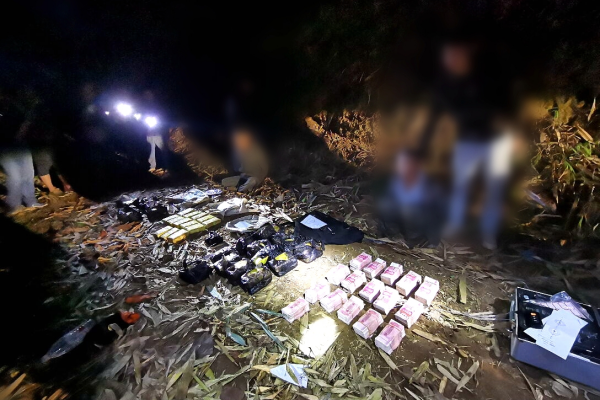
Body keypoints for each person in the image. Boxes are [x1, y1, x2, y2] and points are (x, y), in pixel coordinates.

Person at [420, 34, 517, 250]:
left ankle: (489, 234)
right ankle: (454, 227)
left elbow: (505, 107)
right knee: (460, 187)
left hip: (496, 143)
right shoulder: (447, 85)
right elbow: (435, 114)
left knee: (494, 189)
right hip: (467, 143)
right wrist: (424, 145)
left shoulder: (488, 78)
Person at [378, 151, 444, 247]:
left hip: (420, 223)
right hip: (402, 217)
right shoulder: (396, 181)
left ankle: (415, 242)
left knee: (409, 211)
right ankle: (393, 237)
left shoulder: (428, 183)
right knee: (385, 204)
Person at [0, 88, 42, 211]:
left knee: (28, 173)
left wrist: (23, 131)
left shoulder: (15, 108)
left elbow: (27, 121)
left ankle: (30, 201)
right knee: (15, 176)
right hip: (4, 149)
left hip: (21, 145)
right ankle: (14, 205)